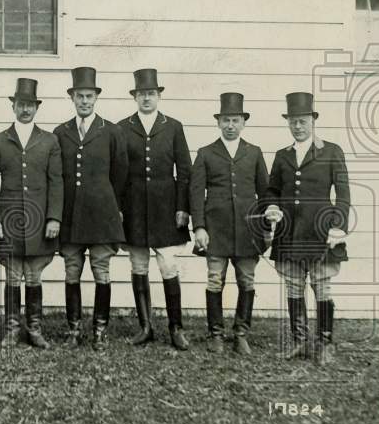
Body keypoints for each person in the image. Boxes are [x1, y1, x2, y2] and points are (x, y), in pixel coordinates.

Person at [264, 92, 350, 366]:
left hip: (320, 232)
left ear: (312, 120)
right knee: (293, 286)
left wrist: (338, 226)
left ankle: (325, 343)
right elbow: (271, 191)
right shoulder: (281, 156)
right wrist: (271, 208)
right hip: (289, 232)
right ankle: (299, 342)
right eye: (293, 122)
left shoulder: (332, 151)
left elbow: (344, 194)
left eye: (302, 121)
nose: (298, 126)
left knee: (321, 286)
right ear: (288, 123)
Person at [54, 67, 128, 351]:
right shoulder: (61, 132)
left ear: (96, 98)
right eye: (79, 96)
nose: (84, 101)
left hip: (102, 215)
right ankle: (73, 329)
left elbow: (120, 174)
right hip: (71, 215)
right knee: (72, 272)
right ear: (72, 98)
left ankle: (100, 330)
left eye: (89, 96)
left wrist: (115, 206)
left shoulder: (111, 131)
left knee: (101, 272)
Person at [189, 93, 269, 355]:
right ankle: (216, 334)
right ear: (219, 122)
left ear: (243, 123)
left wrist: (265, 230)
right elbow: (195, 192)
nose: (230, 125)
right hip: (216, 230)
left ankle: (241, 333)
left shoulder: (254, 153)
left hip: (248, 231)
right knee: (215, 281)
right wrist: (199, 227)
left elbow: (266, 194)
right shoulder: (205, 153)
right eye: (226, 120)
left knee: (247, 281)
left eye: (235, 120)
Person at [118, 68, 192, 350]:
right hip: (134, 207)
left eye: (151, 93)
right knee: (138, 265)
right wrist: (120, 208)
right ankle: (145, 326)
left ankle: (176, 328)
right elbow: (118, 172)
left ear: (158, 96)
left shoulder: (173, 126)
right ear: (135, 97)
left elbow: (184, 170)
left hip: (166, 207)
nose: (146, 98)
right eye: (141, 94)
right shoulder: (123, 127)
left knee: (168, 265)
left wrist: (182, 207)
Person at [0, 78, 63, 349]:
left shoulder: (49, 141)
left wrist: (54, 217)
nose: (25, 110)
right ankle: (11, 329)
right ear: (13, 106)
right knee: (12, 276)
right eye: (21, 105)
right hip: (8, 220)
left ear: (36, 108)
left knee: (34, 276)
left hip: (39, 219)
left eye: (30, 105)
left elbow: (57, 181)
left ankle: (34, 329)